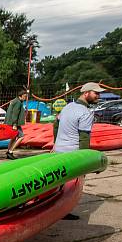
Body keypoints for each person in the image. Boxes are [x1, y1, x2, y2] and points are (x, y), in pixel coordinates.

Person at [53, 81, 103, 220]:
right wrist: (85, 160)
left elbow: (55, 125)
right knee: (71, 187)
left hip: (59, 151)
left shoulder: (68, 107)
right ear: (86, 93)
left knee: (59, 183)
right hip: (73, 153)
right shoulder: (85, 112)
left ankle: (53, 210)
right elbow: (84, 138)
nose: (98, 96)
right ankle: (63, 211)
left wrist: (55, 143)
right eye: (96, 93)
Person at [4, 90, 28, 159]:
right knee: (21, 136)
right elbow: (15, 113)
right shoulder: (18, 103)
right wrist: (14, 124)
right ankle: (10, 151)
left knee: (14, 137)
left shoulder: (16, 101)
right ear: (20, 96)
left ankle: (9, 151)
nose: (25, 98)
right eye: (24, 96)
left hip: (11, 122)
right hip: (14, 123)